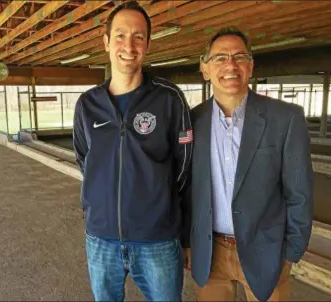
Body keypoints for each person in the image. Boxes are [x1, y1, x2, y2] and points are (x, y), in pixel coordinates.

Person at [73, 1, 193, 301]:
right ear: (106, 42)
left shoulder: (169, 99)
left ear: (148, 44)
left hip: (157, 239)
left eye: (139, 36)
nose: (129, 45)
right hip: (101, 238)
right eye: (120, 35)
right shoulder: (87, 105)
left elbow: (183, 168)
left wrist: (158, 203)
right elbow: (85, 161)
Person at [183, 26, 313, 301]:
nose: (230, 65)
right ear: (204, 69)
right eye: (220, 58)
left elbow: (299, 193)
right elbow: (185, 189)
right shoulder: (190, 121)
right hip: (210, 253)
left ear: (250, 66)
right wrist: (186, 242)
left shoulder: (285, 118)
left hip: (267, 250)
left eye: (239, 57)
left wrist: (291, 254)